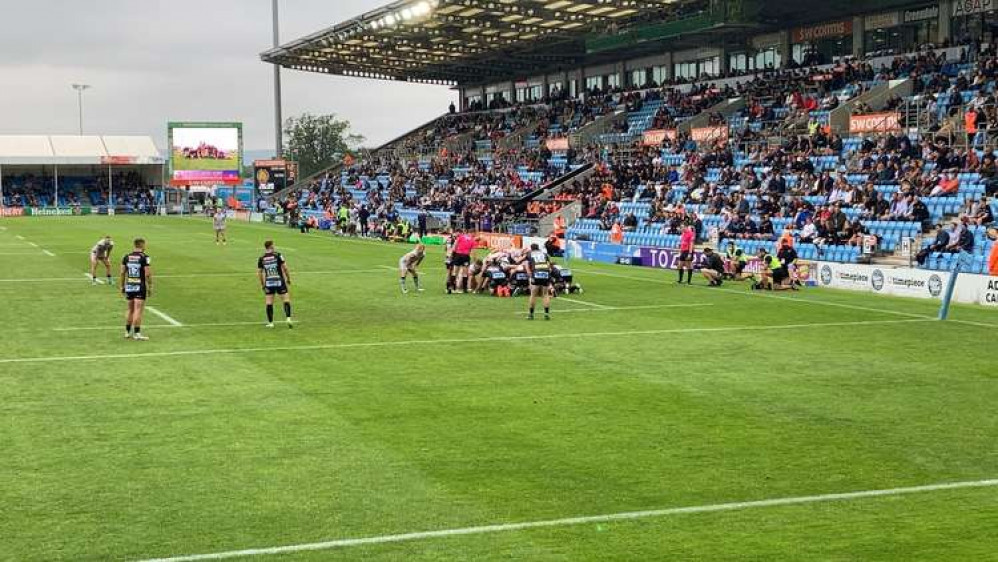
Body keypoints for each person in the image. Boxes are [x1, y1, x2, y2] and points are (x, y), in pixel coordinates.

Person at [119, 238, 152, 340]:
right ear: (141, 245)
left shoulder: (126, 256)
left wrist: (122, 286)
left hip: (129, 285)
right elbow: (147, 274)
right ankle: (137, 334)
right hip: (140, 286)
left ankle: (127, 332)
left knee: (130, 309)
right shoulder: (145, 257)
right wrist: (150, 286)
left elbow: (122, 272)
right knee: (138, 310)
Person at [257, 240, 293, 328]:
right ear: (271, 246)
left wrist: (262, 284)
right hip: (279, 280)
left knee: (269, 302)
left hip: (269, 282)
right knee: (286, 300)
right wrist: (288, 278)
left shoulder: (261, 258)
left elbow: (259, 273)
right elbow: (285, 268)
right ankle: (288, 318)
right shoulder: (278, 255)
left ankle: (270, 323)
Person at [525, 243, 553, 320]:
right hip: (545, 272)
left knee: (533, 294)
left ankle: (531, 315)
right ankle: (546, 314)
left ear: (531, 248)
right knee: (545, 294)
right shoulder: (544, 254)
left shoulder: (529, 254)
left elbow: (526, 265)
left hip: (536, 272)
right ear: (538, 248)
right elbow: (550, 265)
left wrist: (529, 274)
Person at [451, 229, 476, 293]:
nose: (474, 235)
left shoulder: (461, 237)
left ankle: (453, 288)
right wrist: (474, 260)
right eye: (474, 234)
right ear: (472, 233)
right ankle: (464, 289)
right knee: (465, 273)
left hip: (458, 255)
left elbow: (455, 245)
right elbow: (473, 252)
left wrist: (453, 254)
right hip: (465, 256)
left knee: (455, 272)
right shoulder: (472, 241)